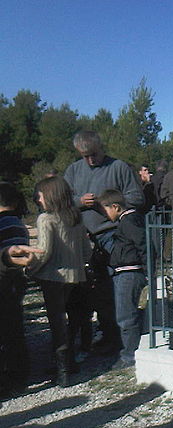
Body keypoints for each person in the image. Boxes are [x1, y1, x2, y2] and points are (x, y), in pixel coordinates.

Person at [64, 130, 144, 354]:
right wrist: (79, 201)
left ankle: (123, 341)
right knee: (97, 294)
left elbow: (137, 198)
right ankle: (108, 335)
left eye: (94, 154)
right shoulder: (73, 170)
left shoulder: (118, 167)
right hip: (84, 238)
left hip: (114, 236)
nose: (90, 160)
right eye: (85, 156)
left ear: (102, 148)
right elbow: (61, 199)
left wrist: (107, 203)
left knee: (118, 290)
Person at [25, 177, 92, 387]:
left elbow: (44, 252)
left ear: (49, 196)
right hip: (76, 276)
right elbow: (87, 252)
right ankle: (70, 361)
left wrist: (30, 269)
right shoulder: (76, 217)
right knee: (72, 321)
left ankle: (62, 370)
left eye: (40, 196)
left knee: (57, 323)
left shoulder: (46, 219)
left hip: (53, 277)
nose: (38, 200)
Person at [97, 189, 147, 368]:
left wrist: (148, 269)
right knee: (129, 314)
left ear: (115, 207)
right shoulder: (126, 221)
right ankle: (133, 351)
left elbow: (143, 244)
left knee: (126, 316)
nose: (104, 215)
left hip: (129, 272)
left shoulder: (129, 221)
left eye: (105, 210)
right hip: (125, 271)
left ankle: (129, 356)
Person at [0, 183, 33, 396]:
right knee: (14, 326)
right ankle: (20, 373)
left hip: (2, 278)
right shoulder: (19, 224)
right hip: (17, 279)